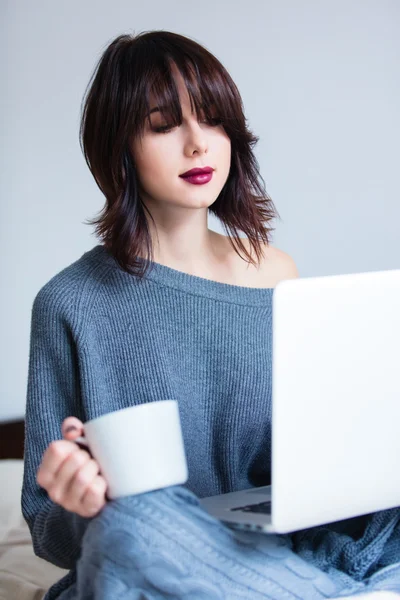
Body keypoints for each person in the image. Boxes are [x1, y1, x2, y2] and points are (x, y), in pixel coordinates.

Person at [21, 30, 400, 600]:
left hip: (284, 547)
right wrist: (81, 504)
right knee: (130, 526)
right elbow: (48, 526)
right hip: (164, 555)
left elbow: (306, 465)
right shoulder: (68, 304)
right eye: (163, 124)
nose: (198, 144)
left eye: (214, 120)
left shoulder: (276, 273)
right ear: (118, 145)